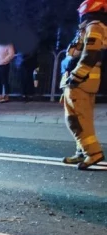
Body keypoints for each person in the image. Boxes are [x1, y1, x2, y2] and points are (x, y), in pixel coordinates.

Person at [63, 0, 107, 170]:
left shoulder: (94, 26)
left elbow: (90, 55)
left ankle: (93, 153)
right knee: (77, 118)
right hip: (80, 80)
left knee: (78, 119)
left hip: (82, 80)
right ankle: (82, 151)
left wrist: (76, 77)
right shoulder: (90, 26)